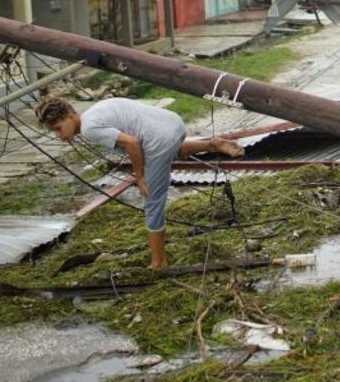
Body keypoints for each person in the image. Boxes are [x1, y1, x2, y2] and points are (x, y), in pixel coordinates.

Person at [35, 96, 244, 270]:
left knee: (152, 202)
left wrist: (140, 176)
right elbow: (137, 141)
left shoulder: (89, 127)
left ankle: (158, 263)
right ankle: (212, 144)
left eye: (58, 128)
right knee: (167, 152)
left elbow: (132, 143)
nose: (59, 135)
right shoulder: (95, 110)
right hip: (173, 124)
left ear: (70, 116)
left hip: (159, 139)